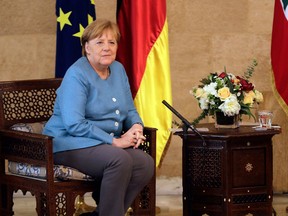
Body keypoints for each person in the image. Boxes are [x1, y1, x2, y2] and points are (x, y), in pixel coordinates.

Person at [43, 19, 154, 216]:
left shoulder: (118, 70)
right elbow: (74, 124)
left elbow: (129, 109)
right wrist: (115, 141)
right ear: (87, 47)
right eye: (99, 42)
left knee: (144, 163)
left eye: (112, 42)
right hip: (68, 144)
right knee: (119, 160)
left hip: (102, 145)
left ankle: (103, 213)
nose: (106, 48)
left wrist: (136, 126)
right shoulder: (77, 74)